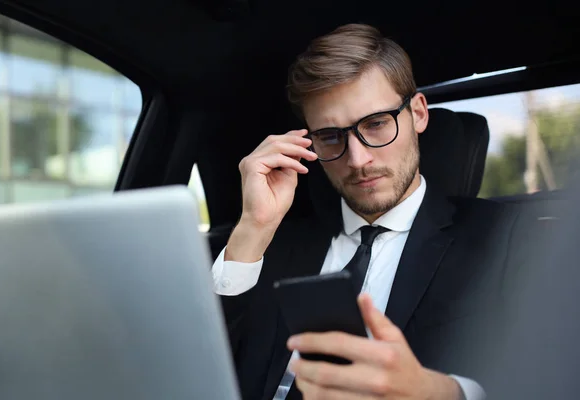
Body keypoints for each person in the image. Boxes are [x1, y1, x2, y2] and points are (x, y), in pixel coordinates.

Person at [211, 23, 525, 400]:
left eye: (376, 124)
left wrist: (443, 393)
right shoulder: (273, 245)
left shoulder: (506, 237)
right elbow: (202, 367)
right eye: (330, 136)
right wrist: (254, 227)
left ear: (419, 115)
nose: (358, 160)